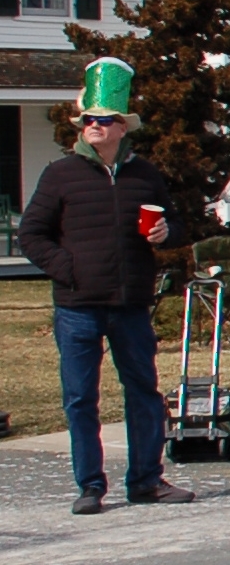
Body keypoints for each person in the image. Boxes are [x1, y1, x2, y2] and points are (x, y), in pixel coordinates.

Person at [19, 56, 192, 515]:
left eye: (104, 120)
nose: (95, 126)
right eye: (89, 120)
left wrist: (165, 235)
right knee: (81, 398)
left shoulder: (144, 175)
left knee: (144, 393)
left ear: (121, 127)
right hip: (78, 305)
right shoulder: (60, 174)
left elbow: (176, 226)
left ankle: (146, 481)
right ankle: (90, 486)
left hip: (131, 302)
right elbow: (30, 234)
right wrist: (67, 268)